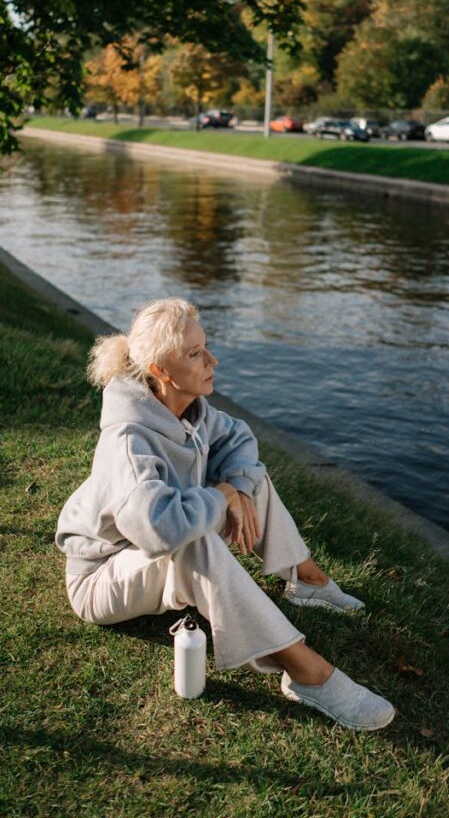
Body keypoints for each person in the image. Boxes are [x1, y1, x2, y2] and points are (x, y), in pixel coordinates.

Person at [55, 298, 395, 730]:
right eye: (194, 354)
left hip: (148, 554)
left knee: (251, 483)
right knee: (194, 536)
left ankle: (307, 580)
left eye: (206, 347)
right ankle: (306, 672)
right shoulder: (128, 442)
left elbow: (238, 437)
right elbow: (162, 531)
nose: (211, 360)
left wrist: (237, 489)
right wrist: (222, 494)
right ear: (160, 370)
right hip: (101, 579)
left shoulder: (189, 409)